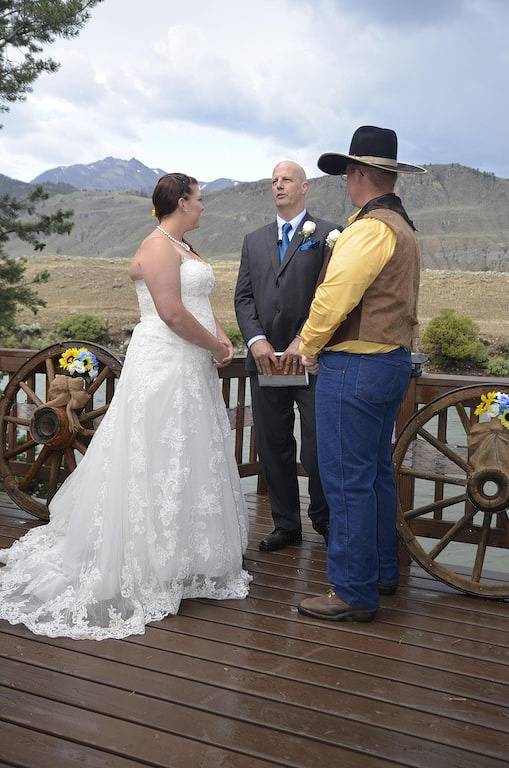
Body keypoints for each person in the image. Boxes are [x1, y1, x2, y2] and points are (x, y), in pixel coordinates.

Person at [0, 173, 251, 640]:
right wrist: (213, 349)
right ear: (181, 201)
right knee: (152, 456)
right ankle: (146, 559)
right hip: (165, 362)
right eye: (200, 199)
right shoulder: (157, 247)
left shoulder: (187, 249)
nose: (204, 206)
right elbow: (172, 313)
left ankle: (187, 554)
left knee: (188, 456)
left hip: (191, 364)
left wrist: (220, 337)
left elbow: (198, 302)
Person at [297, 126, 426, 622]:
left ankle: (352, 590)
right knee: (373, 474)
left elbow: (334, 295)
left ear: (357, 175)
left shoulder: (370, 229)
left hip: (354, 366)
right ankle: (380, 572)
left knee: (346, 481)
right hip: (389, 363)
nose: (345, 184)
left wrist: (305, 347)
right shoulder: (402, 227)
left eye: (346, 175)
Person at [235, 161, 336, 551]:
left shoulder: (328, 234)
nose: (279, 185)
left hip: (309, 361)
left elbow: (330, 295)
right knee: (273, 444)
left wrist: (303, 342)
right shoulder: (253, 239)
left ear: (305, 187)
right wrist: (256, 341)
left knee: (316, 446)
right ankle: (286, 525)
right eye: (274, 181)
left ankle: (324, 522)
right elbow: (243, 297)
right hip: (264, 363)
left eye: (287, 179)